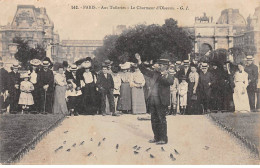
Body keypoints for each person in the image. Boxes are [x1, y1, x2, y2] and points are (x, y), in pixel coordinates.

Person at [136, 53, 174, 145]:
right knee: (154, 120)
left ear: (165, 66)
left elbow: (170, 82)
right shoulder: (155, 74)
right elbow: (144, 71)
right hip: (153, 100)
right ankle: (156, 138)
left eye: (160, 65)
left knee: (162, 119)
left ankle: (163, 139)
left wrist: (163, 75)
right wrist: (139, 61)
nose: (157, 66)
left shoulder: (169, 74)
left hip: (161, 101)